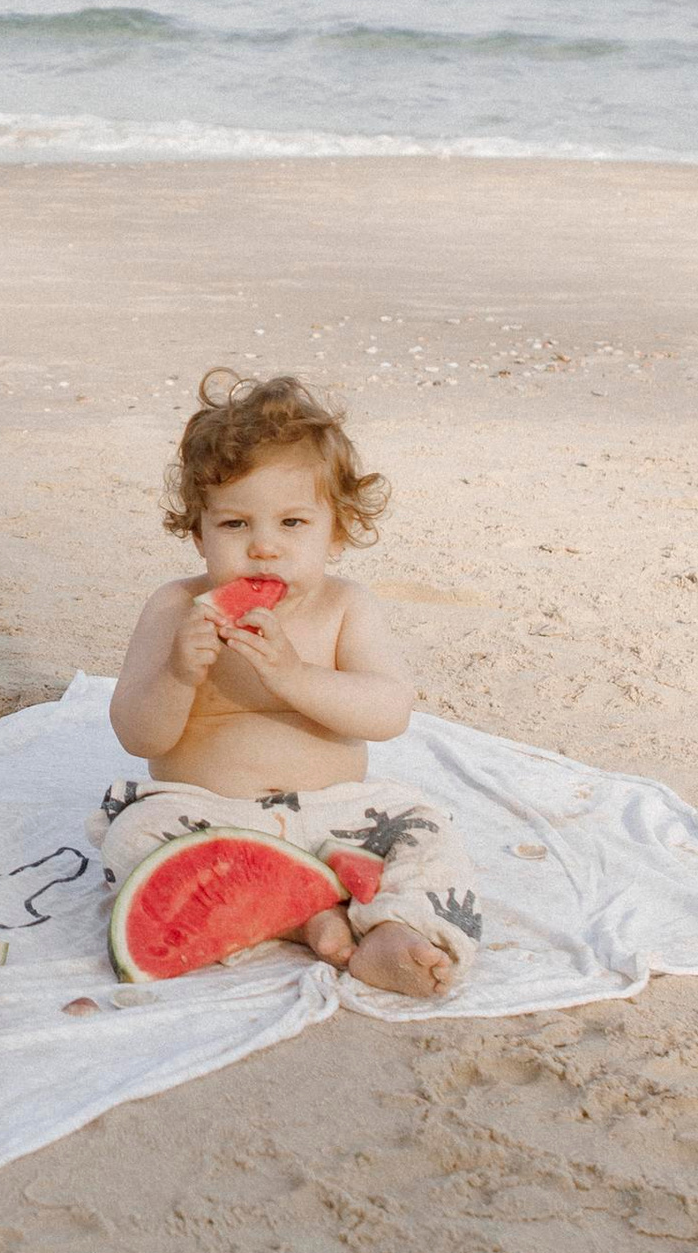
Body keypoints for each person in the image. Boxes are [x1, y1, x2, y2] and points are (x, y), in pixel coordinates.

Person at [98, 369, 483, 1005]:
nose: (264, 549)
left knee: (428, 831)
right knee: (131, 839)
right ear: (198, 533)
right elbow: (138, 733)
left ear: (337, 530)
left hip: (342, 817)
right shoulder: (175, 608)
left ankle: (395, 929)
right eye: (234, 526)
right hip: (208, 816)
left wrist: (297, 676)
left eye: (293, 524)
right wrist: (176, 674)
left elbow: (389, 711)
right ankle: (309, 916)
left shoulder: (345, 607)